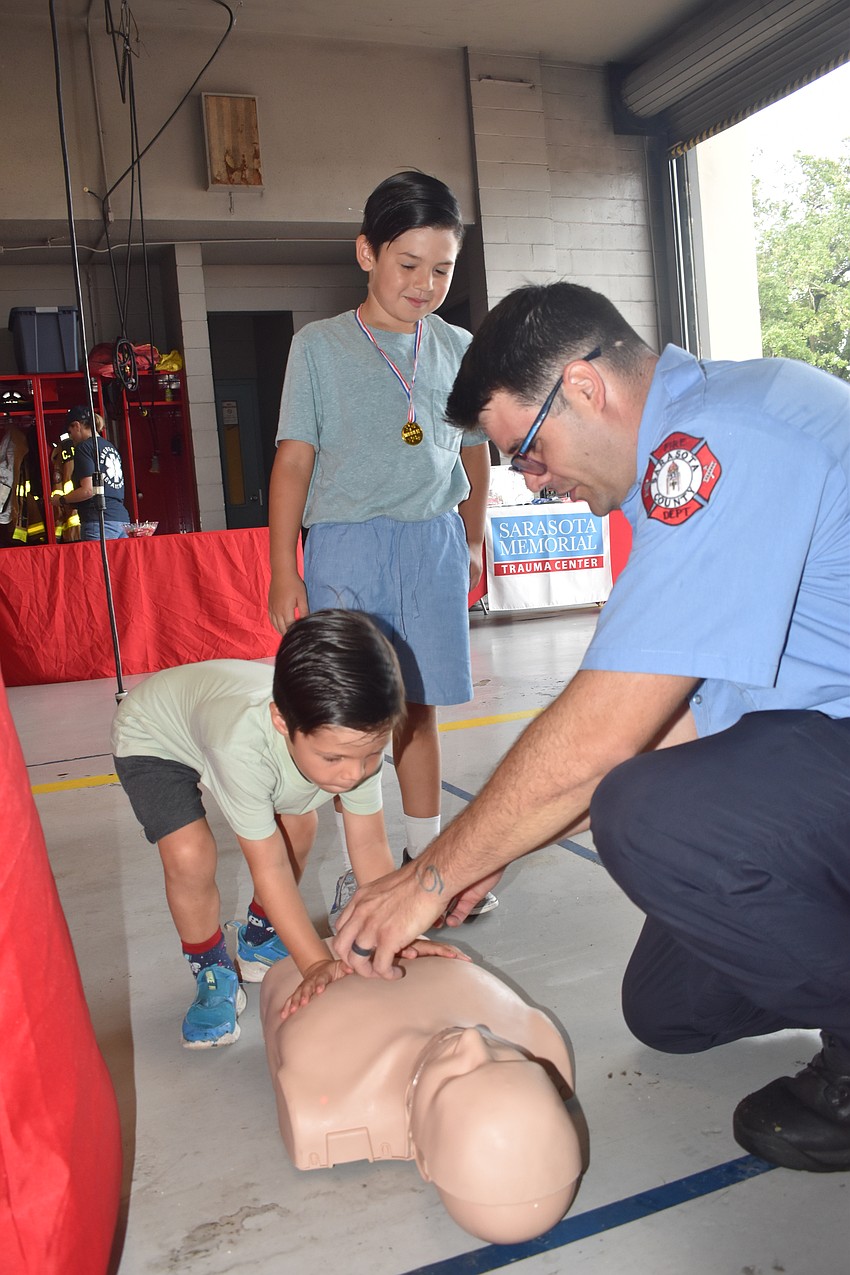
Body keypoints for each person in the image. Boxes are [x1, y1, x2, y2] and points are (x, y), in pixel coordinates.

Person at [334, 281, 850, 1175]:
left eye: (526, 453)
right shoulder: (671, 478)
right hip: (818, 745)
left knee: (649, 815)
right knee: (669, 1008)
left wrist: (433, 872)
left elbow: (609, 736)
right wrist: (499, 849)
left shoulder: (720, 443)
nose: (535, 480)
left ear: (583, 386)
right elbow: (674, 723)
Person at [266, 170, 496, 923]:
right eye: (408, 265)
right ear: (367, 252)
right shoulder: (320, 348)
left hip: (430, 543)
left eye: (442, 268)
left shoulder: (460, 347)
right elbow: (294, 460)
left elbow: (472, 454)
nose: (425, 284)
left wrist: (472, 537)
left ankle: (425, 862)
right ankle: (364, 874)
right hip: (346, 549)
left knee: (420, 709)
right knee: (354, 712)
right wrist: (281, 568)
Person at [111, 609, 456, 1049]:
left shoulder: (350, 741)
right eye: (334, 759)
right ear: (282, 722)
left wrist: (397, 930)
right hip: (153, 736)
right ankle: (212, 966)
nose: (354, 775)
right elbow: (269, 867)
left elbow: (369, 844)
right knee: (190, 853)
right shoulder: (241, 746)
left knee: (300, 824)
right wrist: (315, 964)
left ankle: (258, 937)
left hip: (217, 707)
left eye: (371, 755)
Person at [260, 940, 581, 1244]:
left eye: (456, 1076)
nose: (473, 1041)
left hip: (296, 967)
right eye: (505, 1058)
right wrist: (391, 929)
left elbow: (272, 878)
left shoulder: (318, 1089)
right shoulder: (540, 1039)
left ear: (425, 1162)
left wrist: (315, 962)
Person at [54, 405, 130, 540]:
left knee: (96, 561)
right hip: (121, 520)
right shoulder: (109, 446)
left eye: (70, 431)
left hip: (99, 522)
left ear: (77, 425)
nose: (71, 437)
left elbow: (88, 490)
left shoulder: (84, 448)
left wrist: (61, 500)